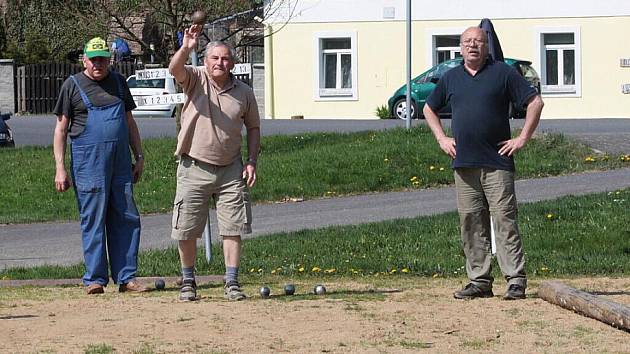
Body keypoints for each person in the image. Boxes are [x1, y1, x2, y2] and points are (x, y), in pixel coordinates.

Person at [423, 27, 544, 300]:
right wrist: (441, 138)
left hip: (497, 162)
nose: (473, 46)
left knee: (504, 219)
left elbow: (535, 102)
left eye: (478, 41)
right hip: (464, 163)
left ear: (486, 46)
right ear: (460, 47)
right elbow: (429, 108)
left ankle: (515, 280)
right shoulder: (451, 78)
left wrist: (522, 138)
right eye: (467, 42)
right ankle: (479, 280)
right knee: (470, 220)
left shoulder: (503, 73)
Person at [168, 25, 260, 301]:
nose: (220, 63)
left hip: (231, 168)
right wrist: (187, 47)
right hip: (193, 166)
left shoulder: (243, 92)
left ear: (232, 62)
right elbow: (174, 69)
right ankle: (188, 281)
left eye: (225, 58)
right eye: (215, 58)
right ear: (206, 62)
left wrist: (252, 161)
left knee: (233, 227)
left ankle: (231, 282)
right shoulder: (195, 78)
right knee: (186, 228)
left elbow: (253, 128)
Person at [53, 37, 148, 294]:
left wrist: (138, 156)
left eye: (103, 58)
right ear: (84, 59)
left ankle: (127, 277)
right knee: (93, 220)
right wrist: (60, 168)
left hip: (119, 164)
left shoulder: (118, 83)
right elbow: (61, 130)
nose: (98, 64)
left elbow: (129, 123)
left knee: (126, 217)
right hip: (88, 164)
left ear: (109, 59)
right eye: (93, 59)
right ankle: (94, 279)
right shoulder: (72, 86)